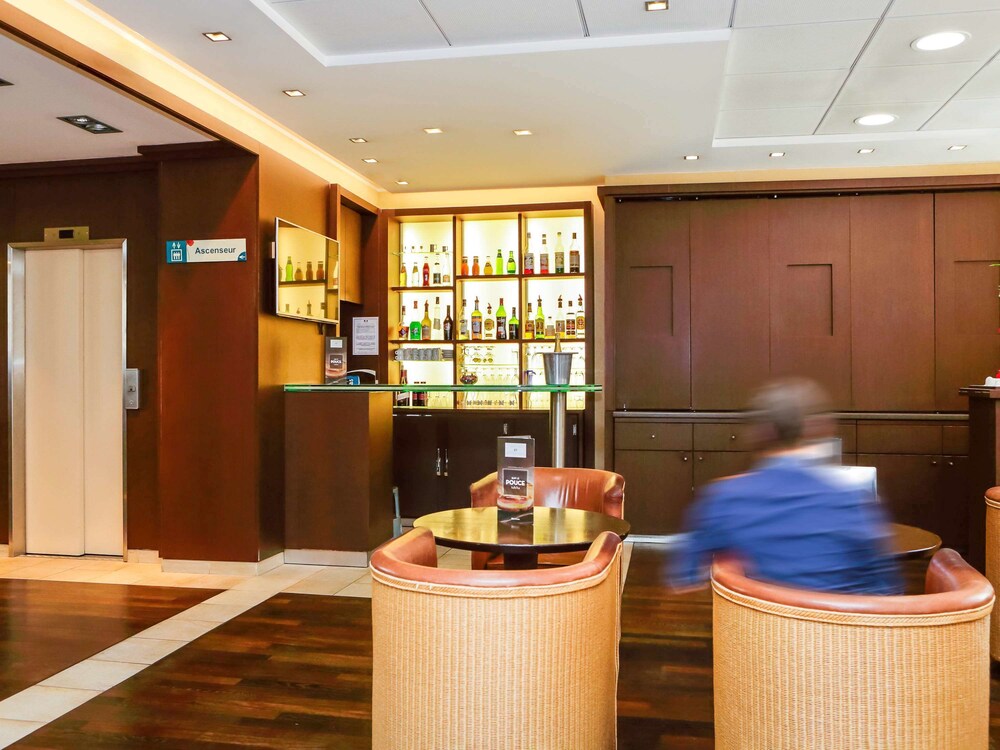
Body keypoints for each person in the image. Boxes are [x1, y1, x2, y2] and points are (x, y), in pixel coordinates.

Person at [670, 378, 902, 595]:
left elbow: (686, 575)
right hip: (845, 625)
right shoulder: (852, 500)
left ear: (758, 435)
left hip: (757, 626)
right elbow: (886, 589)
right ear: (814, 431)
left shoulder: (724, 498)